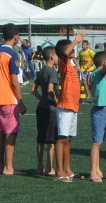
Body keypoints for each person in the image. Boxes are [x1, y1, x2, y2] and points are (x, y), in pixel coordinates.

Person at [0, 23, 27, 176]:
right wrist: (21, 100)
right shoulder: (12, 56)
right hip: (9, 98)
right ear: (16, 37)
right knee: (11, 132)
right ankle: (9, 167)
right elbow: (14, 81)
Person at [53, 37, 81, 182]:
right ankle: (60, 171)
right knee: (62, 138)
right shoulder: (63, 63)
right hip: (65, 106)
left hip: (73, 106)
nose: (73, 48)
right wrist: (76, 41)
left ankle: (67, 169)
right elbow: (64, 55)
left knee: (68, 139)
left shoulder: (71, 64)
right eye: (70, 47)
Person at [32, 46, 59, 176]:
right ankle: (49, 167)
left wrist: (41, 99)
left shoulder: (41, 70)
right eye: (57, 55)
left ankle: (39, 166)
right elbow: (50, 89)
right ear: (52, 57)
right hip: (50, 109)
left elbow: (33, 89)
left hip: (41, 107)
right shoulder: (52, 71)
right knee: (51, 139)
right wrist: (56, 101)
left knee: (41, 137)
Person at [88, 50, 106, 183]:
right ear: (104, 63)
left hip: (103, 109)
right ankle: (93, 172)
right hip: (99, 109)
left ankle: (97, 169)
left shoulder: (100, 74)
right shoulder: (97, 73)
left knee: (99, 142)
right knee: (96, 143)